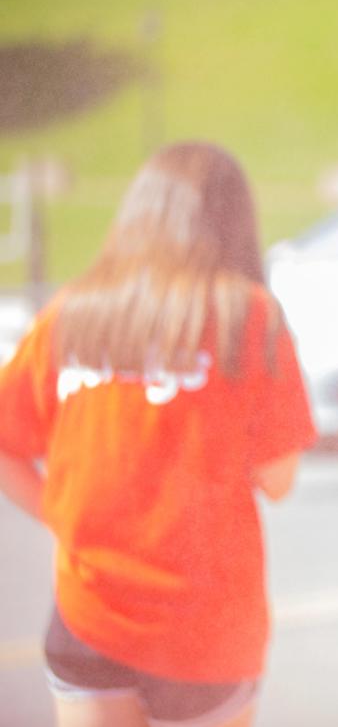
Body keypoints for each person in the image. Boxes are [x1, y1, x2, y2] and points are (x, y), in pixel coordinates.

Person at [0, 142, 317, 727]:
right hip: (206, 626)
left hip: (87, 609)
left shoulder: (73, 312)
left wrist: (61, 514)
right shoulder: (248, 316)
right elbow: (278, 479)